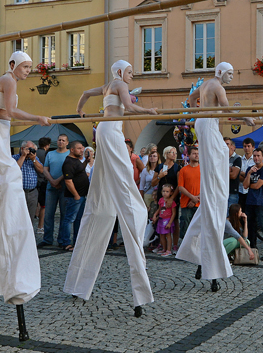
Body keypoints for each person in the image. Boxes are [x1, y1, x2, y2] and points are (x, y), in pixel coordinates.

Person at [65, 60, 157, 317]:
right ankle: (135, 211)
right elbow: (129, 106)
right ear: (119, 72)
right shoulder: (118, 84)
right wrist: (147, 110)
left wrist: (79, 110)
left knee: (109, 185)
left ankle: (78, 284)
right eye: (129, 71)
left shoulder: (108, 85)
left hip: (103, 131)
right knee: (125, 177)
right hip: (112, 132)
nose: (132, 75)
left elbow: (85, 93)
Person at [0, 50, 49, 339]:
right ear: (13, 65)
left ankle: (9, 216)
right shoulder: (8, 80)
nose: (28, 70)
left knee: (5, 180)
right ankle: (12, 217)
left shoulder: (5, 82)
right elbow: (12, 111)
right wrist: (37, 118)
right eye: (25, 66)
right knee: (9, 177)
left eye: (31, 67)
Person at [176, 61, 255, 287]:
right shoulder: (218, 86)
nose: (231, 77)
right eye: (229, 73)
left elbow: (191, 98)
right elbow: (227, 109)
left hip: (203, 122)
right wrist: (245, 118)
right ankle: (217, 183)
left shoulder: (205, 85)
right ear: (220, 72)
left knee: (220, 153)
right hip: (208, 124)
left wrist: (196, 113)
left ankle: (201, 261)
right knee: (220, 154)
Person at [242, 148, 263, 261]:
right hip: (250, 201)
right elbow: (245, 185)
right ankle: (252, 249)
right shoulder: (250, 169)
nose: (256, 158)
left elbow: (256, 186)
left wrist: (249, 184)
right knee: (251, 226)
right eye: (254, 156)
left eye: (258, 156)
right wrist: (249, 173)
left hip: (261, 202)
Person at [40, 134, 70, 249]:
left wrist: (57, 181)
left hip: (64, 188)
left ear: (67, 142)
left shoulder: (69, 154)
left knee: (64, 214)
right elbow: (45, 169)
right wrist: (52, 181)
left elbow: (69, 170)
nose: (61, 142)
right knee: (48, 214)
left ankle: (62, 239)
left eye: (63, 140)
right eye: (59, 140)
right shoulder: (50, 154)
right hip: (51, 188)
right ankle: (47, 239)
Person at [60, 140, 89, 251]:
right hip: (74, 197)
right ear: (72, 150)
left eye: (82, 148)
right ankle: (66, 243)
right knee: (69, 219)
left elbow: (79, 170)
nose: (82, 150)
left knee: (78, 219)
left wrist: (86, 162)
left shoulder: (76, 161)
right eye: (79, 148)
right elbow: (68, 181)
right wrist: (76, 195)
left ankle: (77, 241)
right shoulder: (69, 162)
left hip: (81, 196)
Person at [152, 145, 180, 246]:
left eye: (175, 153)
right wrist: (160, 176)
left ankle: (175, 245)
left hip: (173, 196)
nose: (174, 154)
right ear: (166, 154)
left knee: (174, 219)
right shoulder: (159, 167)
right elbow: (153, 183)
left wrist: (172, 198)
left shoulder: (177, 167)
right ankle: (162, 245)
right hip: (162, 196)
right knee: (161, 217)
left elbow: (179, 184)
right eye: (172, 152)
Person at [12, 141, 44, 227]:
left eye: (32, 149)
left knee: (30, 217)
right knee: (17, 217)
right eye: (28, 149)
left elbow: (41, 170)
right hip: (18, 192)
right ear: (22, 148)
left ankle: (29, 234)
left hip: (32, 192)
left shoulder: (34, 158)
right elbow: (14, 170)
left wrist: (34, 159)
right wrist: (23, 156)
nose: (30, 151)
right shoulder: (14, 158)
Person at [177, 146, 201, 235]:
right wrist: (192, 197)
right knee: (185, 228)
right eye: (194, 153)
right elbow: (180, 187)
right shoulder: (183, 170)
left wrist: (196, 199)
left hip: (200, 203)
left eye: (198, 154)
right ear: (189, 155)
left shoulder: (203, 169)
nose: (196, 155)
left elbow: (206, 186)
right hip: (186, 204)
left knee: (198, 228)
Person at [152, 183, 177, 256]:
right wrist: (155, 215)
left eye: (167, 191)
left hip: (167, 220)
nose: (165, 193)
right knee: (161, 235)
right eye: (163, 191)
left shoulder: (172, 202)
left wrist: (170, 223)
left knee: (168, 235)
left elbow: (174, 213)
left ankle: (169, 250)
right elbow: (159, 209)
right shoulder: (161, 200)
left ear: (171, 193)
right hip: (161, 219)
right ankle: (164, 248)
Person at [225, 138, 243, 208]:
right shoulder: (220, 158)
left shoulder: (237, 158)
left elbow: (233, 175)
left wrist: (221, 172)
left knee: (231, 212)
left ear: (232, 146)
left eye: (227, 144)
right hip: (222, 191)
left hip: (232, 191)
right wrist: (228, 170)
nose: (225, 146)